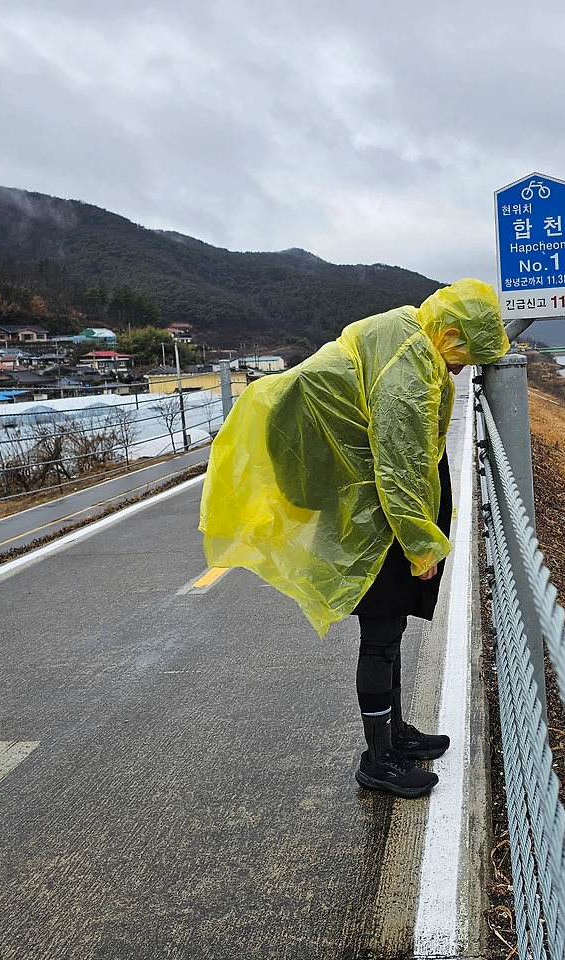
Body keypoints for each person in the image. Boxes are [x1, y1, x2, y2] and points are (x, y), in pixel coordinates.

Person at [199, 278, 509, 798]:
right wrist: (420, 544)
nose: (460, 368)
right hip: (368, 508)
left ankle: (395, 733)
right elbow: (400, 464)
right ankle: (378, 758)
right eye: (464, 357)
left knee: (391, 627)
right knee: (381, 632)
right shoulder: (409, 364)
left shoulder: (410, 329)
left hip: (363, 498)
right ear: (451, 334)